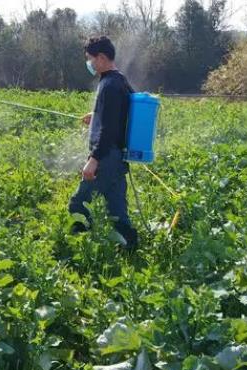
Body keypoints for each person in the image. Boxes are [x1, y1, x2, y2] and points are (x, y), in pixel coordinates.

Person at [68, 35, 139, 251]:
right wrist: (96, 113)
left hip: (107, 157)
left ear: (100, 57)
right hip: (118, 157)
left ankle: (80, 250)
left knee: (79, 204)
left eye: (90, 59)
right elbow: (118, 114)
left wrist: (94, 160)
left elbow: (109, 129)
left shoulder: (109, 84)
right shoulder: (120, 80)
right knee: (117, 209)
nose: (89, 64)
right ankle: (130, 248)